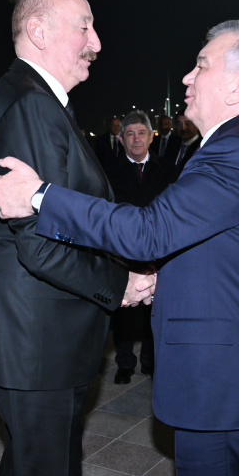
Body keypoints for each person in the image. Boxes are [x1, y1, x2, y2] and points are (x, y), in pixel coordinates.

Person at [0, 19, 239, 476]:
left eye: (201, 65)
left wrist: (40, 196)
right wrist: (168, 277)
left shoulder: (237, 152)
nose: (187, 77)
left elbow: (148, 232)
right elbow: (220, 248)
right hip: (235, 382)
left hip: (224, 391)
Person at [0, 0, 150, 476]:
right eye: (84, 26)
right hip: (37, 339)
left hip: (31, 335)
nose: (96, 42)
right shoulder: (30, 104)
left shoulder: (30, 98)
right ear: (38, 31)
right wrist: (119, 284)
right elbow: (40, 242)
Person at [106, 110, 177, 384]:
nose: (136, 139)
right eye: (130, 134)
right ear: (121, 139)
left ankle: (150, 362)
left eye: (141, 133)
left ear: (151, 137)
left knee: (154, 308)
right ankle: (125, 364)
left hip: (159, 251)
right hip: (122, 252)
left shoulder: (168, 169)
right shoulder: (108, 171)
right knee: (123, 310)